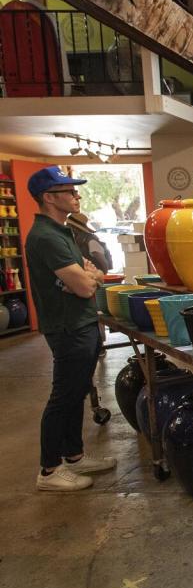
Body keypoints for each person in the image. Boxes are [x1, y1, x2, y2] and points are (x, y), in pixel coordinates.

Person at [25, 166, 116, 492]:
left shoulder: (60, 231)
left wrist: (87, 277)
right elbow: (84, 285)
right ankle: (49, 470)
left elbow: (96, 274)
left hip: (80, 322)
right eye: (69, 190)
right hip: (69, 326)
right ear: (49, 197)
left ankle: (74, 456)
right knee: (64, 396)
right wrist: (86, 278)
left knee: (77, 390)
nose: (77, 195)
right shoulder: (47, 237)